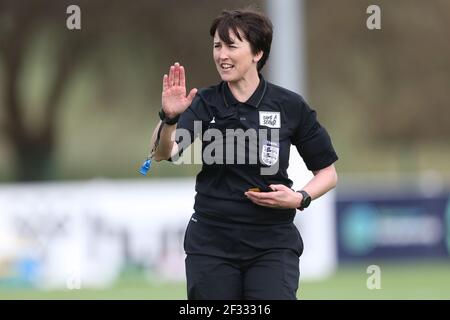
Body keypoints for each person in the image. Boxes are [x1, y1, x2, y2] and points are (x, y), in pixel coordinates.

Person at [149, 9, 338, 300]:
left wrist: (300, 198)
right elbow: (166, 152)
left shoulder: (289, 105)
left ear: (257, 53)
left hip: (272, 243)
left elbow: (328, 173)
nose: (222, 54)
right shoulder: (205, 102)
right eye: (217, 46)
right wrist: (170, 118)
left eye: (231, 46)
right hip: (210, 243)